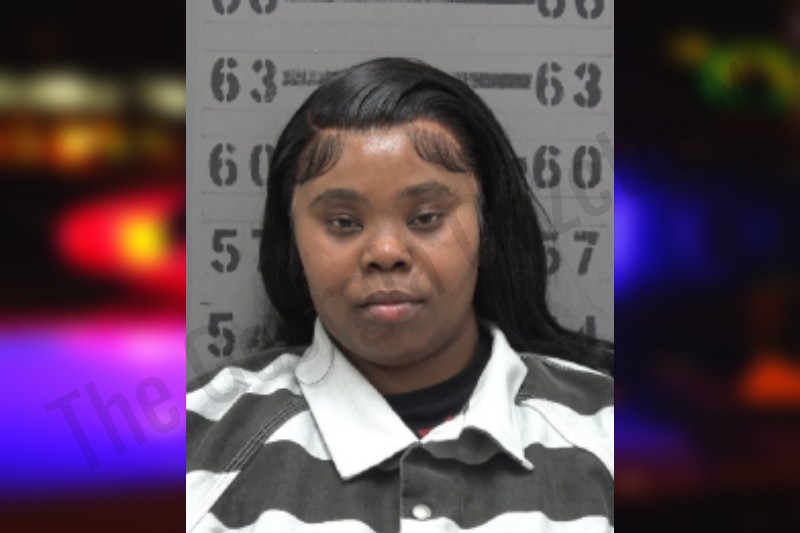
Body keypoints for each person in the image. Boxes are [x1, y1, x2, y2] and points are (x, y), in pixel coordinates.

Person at [187, 57, 613, 532]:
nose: (386, 253)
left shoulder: (611, 433)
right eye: (343, 222)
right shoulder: (195, 444)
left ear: (488, 228)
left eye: (426, 218)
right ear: (292, 242)